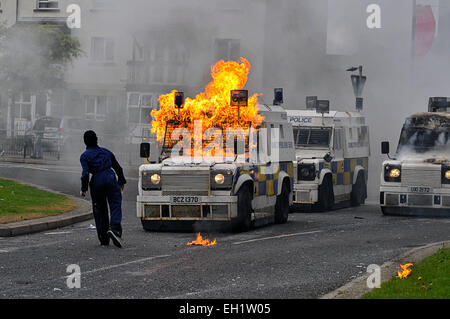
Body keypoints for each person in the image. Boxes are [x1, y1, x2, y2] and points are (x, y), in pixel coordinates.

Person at [80, 130, 126, 248]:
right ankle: (115, 230)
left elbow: (85, 174)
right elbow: (118, 168)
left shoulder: (84, 156)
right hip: (110, 178)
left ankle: (103, 238)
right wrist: (121, 181)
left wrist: (84, 188)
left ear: (85, 142)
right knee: (115, 204)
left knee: (100, 209)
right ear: (97, 139)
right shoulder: (107, 152)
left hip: (97, 181)